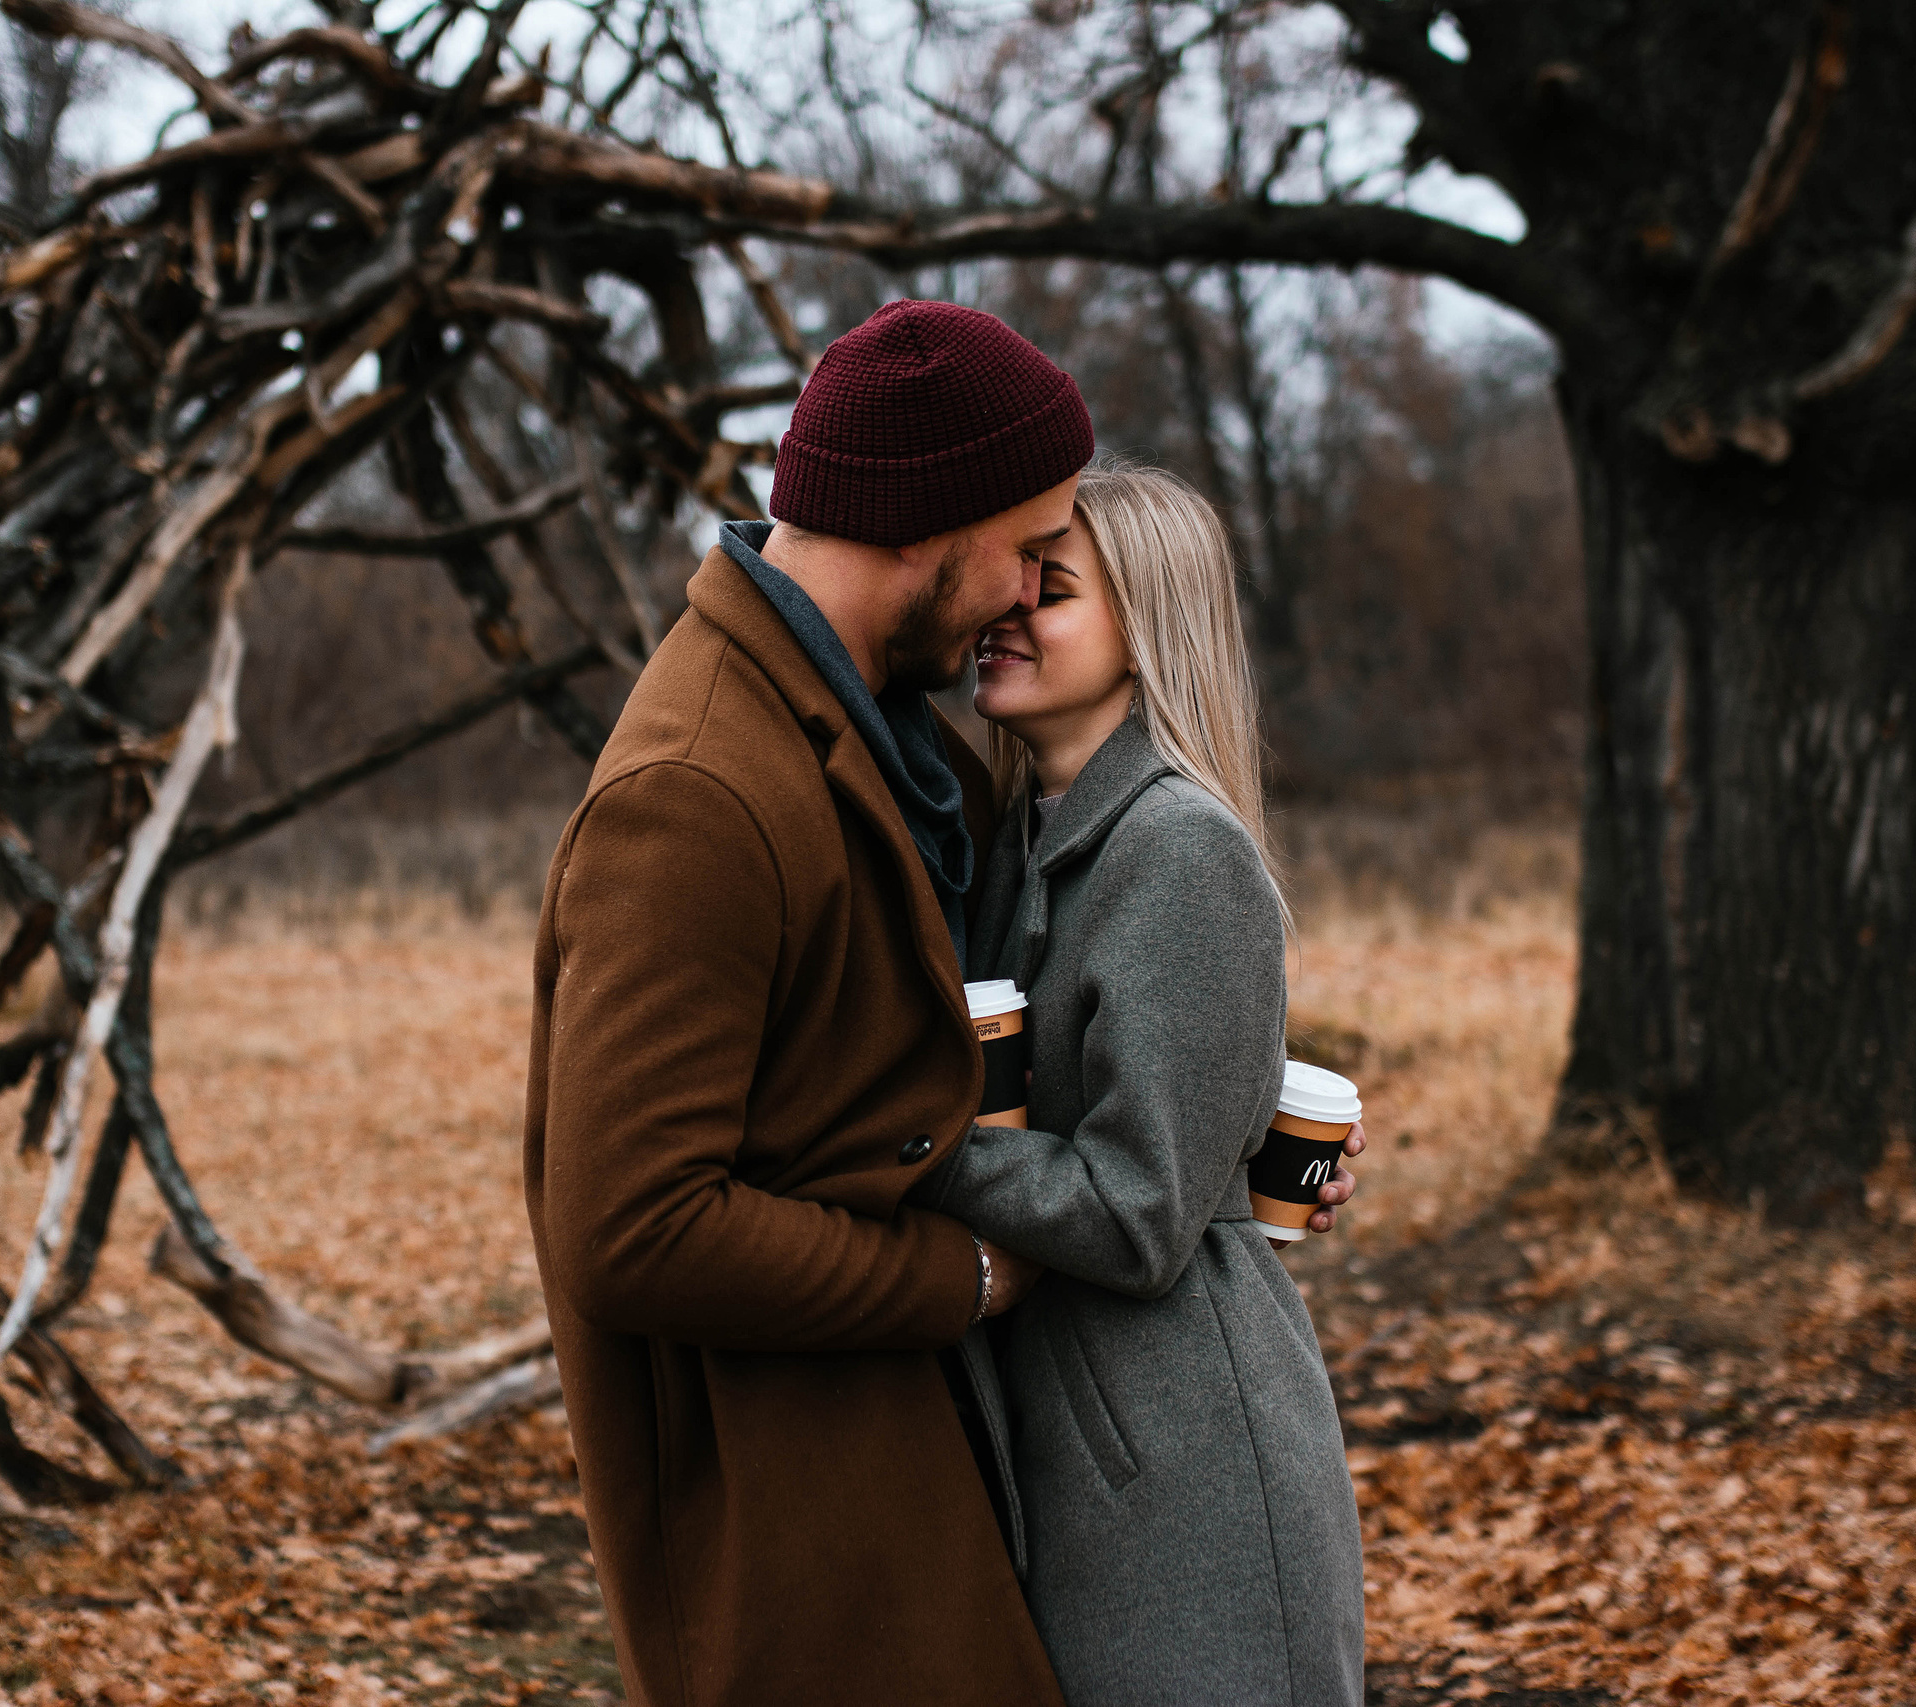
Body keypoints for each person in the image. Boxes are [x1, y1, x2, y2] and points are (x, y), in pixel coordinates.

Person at [522, 299, 1091, 1705]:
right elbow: (631, 1226)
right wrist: (959, 1278)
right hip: (804, 1543)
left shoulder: (881, 736)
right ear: (921, 522)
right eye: (1027, 546)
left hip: (927, 1474)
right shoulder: (698, 793)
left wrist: (1224, 1126)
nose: (1033, 589)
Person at [915, 459, 1368, 1706]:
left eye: (1050, 589)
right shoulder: (1019, 840)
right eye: (1012, 578)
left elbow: (1138, 1213)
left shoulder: (1179, 850)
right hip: (1088, 1452)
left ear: (1146, 629)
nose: (1005, 609)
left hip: (1187, 1479)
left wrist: (917, 1146)